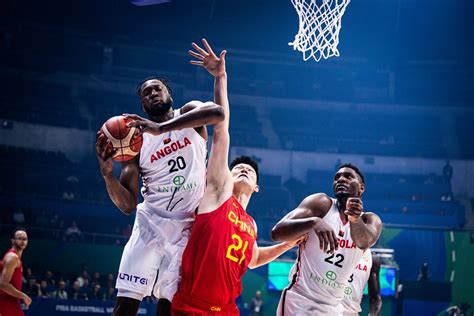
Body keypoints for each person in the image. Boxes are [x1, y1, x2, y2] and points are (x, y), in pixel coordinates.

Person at [171, 39, 305, 315]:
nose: (243, 168)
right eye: (237, 168)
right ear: (226, 176)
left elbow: (254, 259)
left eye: (250, 171)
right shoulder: (218, 193)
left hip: (228, 310)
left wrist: (289, 244)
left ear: (257, 187)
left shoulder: (251, 224)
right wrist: (221, 78)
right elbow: (221, 130)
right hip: (192, 307)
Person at [96, 48, 225, 316]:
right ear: (142, 106)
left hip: (188, 226)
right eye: (147, 93)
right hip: (150, 223)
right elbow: (128, 205)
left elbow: (218, 113)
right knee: (125, 304)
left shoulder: (188, 113)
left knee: (170, 306)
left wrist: (162, 128)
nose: (153, 94)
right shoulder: (135, 143)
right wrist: (108, 174)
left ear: (169, 95)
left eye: (157, 89)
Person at [272, 163, 383, 315]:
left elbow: (365, 243)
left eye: (348, 176)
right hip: (301, 300)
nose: (341, 179)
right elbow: (277, 233)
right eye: (337, 177)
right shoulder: (321, 203)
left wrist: (355, 220)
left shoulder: (370, 220)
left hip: (334, 307)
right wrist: (313, 222)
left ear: (361, 188)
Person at [0, 228, 32, 316]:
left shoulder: (16, 258)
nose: (22, 241)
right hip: (6, 302)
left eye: (25, 239)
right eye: (19, 238)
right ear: (13, 241)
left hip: (11, 301)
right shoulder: (12, 257)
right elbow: (3, 284)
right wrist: (23, 295)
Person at [340, 251, 382, 316]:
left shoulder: (372, 258)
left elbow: (375, 298)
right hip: (326, 309)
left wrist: (373, 314)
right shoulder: (334, 245)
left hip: (351, 312)